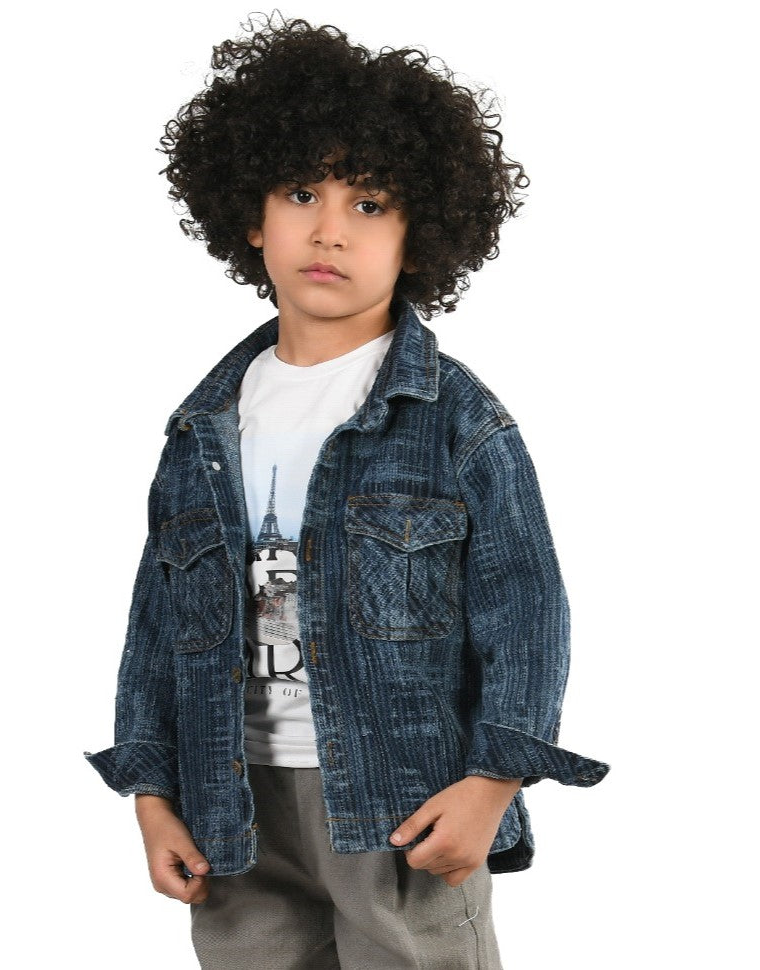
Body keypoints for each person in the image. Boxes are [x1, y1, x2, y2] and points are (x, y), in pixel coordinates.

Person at [83, 13, 610, 969]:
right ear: (252, 217)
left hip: (401, 799)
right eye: (301, 193)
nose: (329, 229)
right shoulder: (201, 428)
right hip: (231, 806)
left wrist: (493, 784)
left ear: (420, 237)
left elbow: (527, 611)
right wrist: (151, 796)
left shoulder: (457, 420)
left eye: (370, 204)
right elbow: (154, 626)